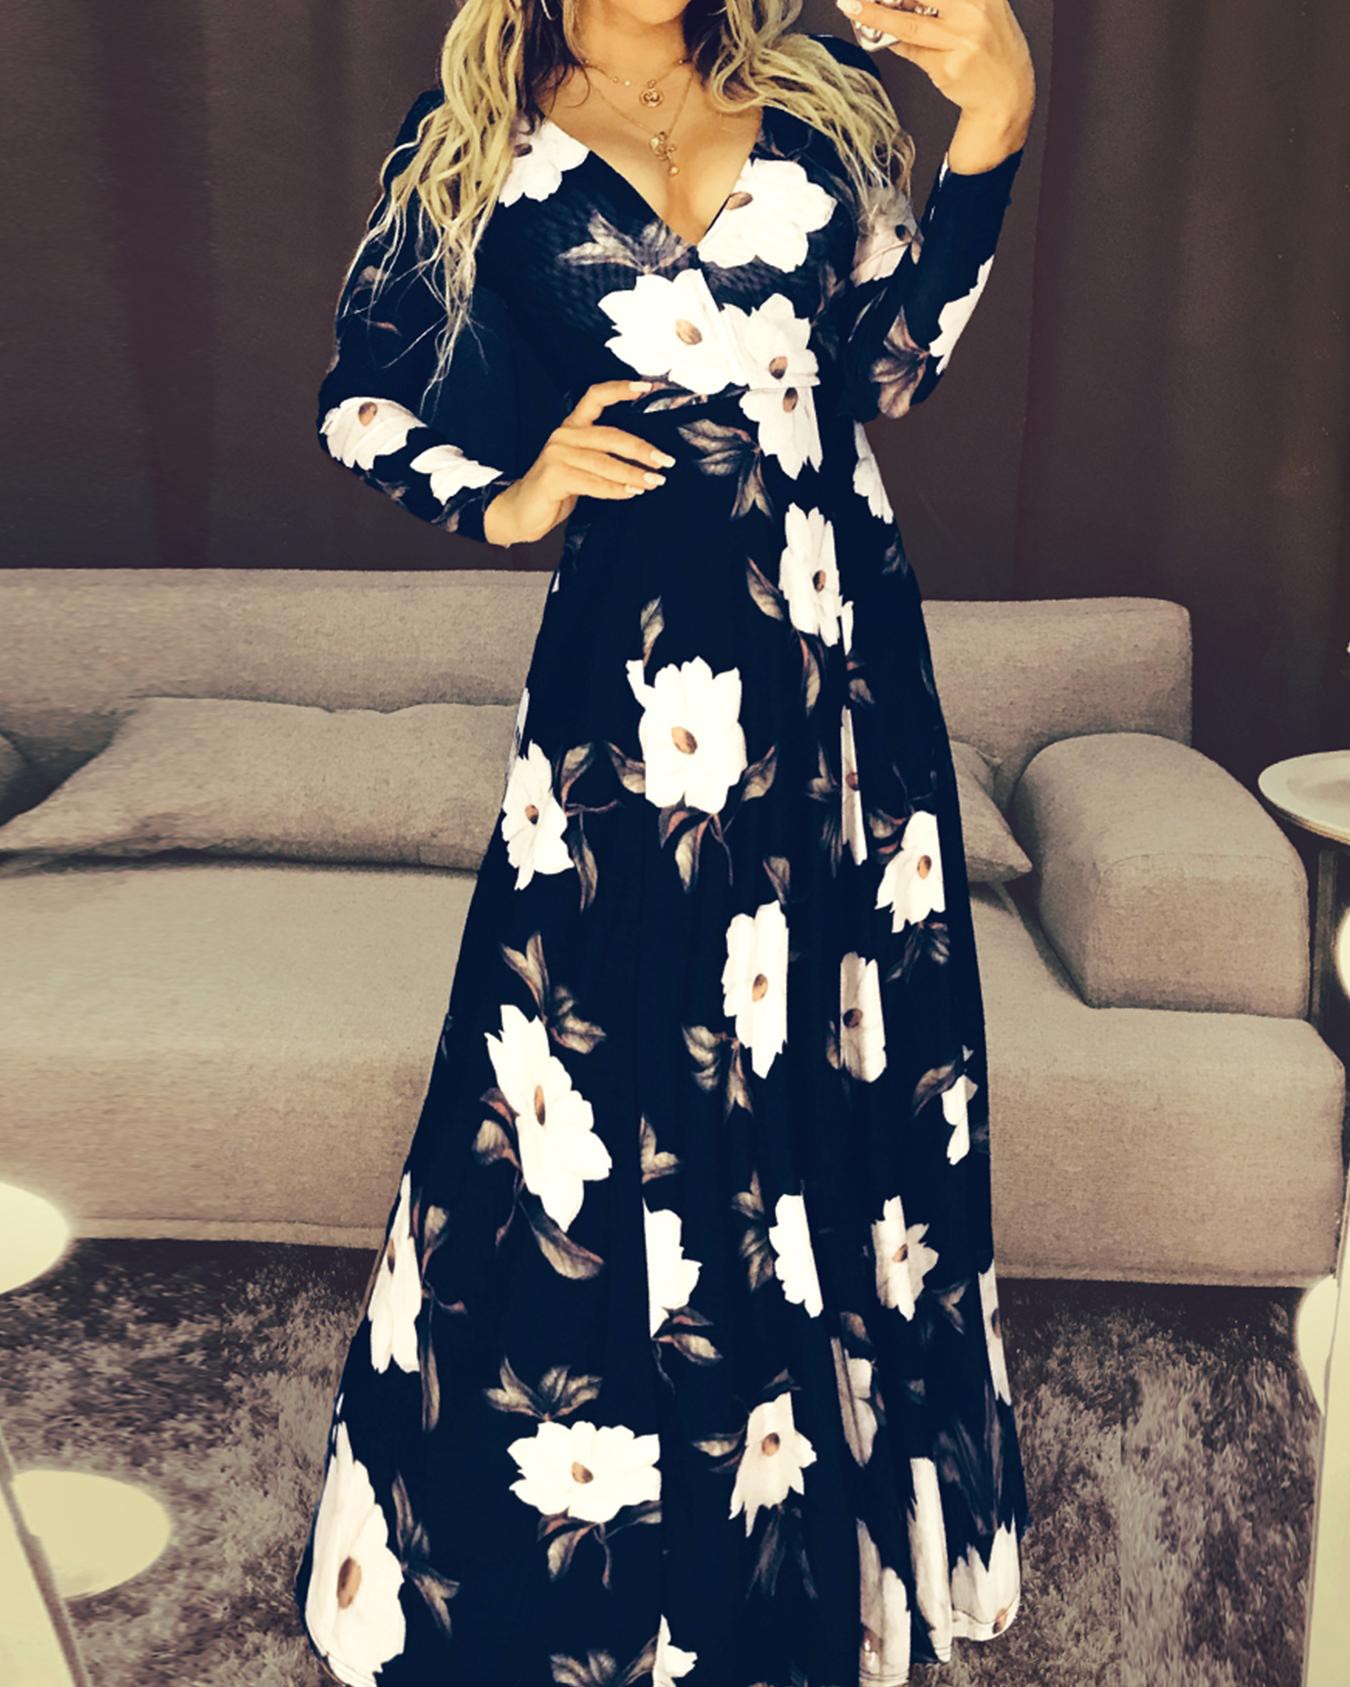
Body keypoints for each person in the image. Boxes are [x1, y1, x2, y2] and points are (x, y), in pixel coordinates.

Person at [294, 2, 1036, 1682]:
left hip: (837, 672)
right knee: (589, 1084)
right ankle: (602, 1564)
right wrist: (506, 493)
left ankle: (811, 1554)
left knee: (838, 1066)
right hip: (630, 694)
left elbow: (887, 368)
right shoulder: (472, 139)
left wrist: (989, 132)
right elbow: (361, 400)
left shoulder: (817, 98)